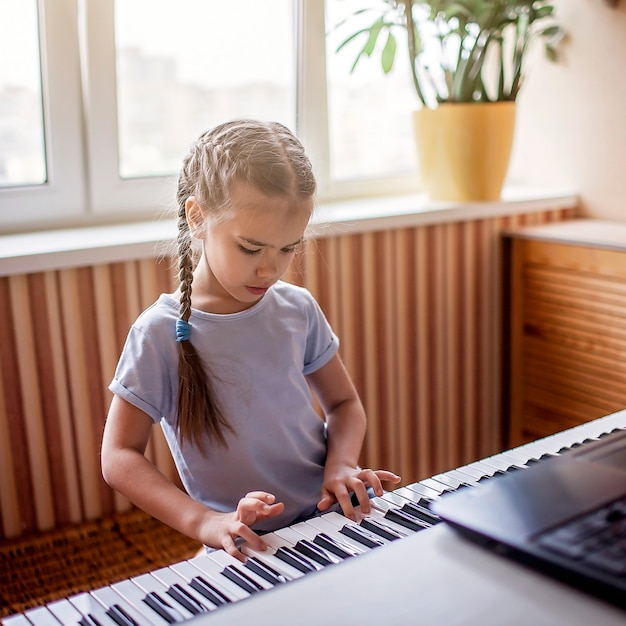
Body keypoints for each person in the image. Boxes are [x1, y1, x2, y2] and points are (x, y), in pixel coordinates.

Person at [101, 119, 401, 562]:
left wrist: (341, 465)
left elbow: (344, 406)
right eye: (250, 248)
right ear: (197, 217)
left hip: (330, 521)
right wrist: (204, 521)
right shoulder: (159, 334)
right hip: (244, 544)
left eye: (288, 249)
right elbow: (119, 456)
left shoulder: (296, 308)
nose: (270, 270)